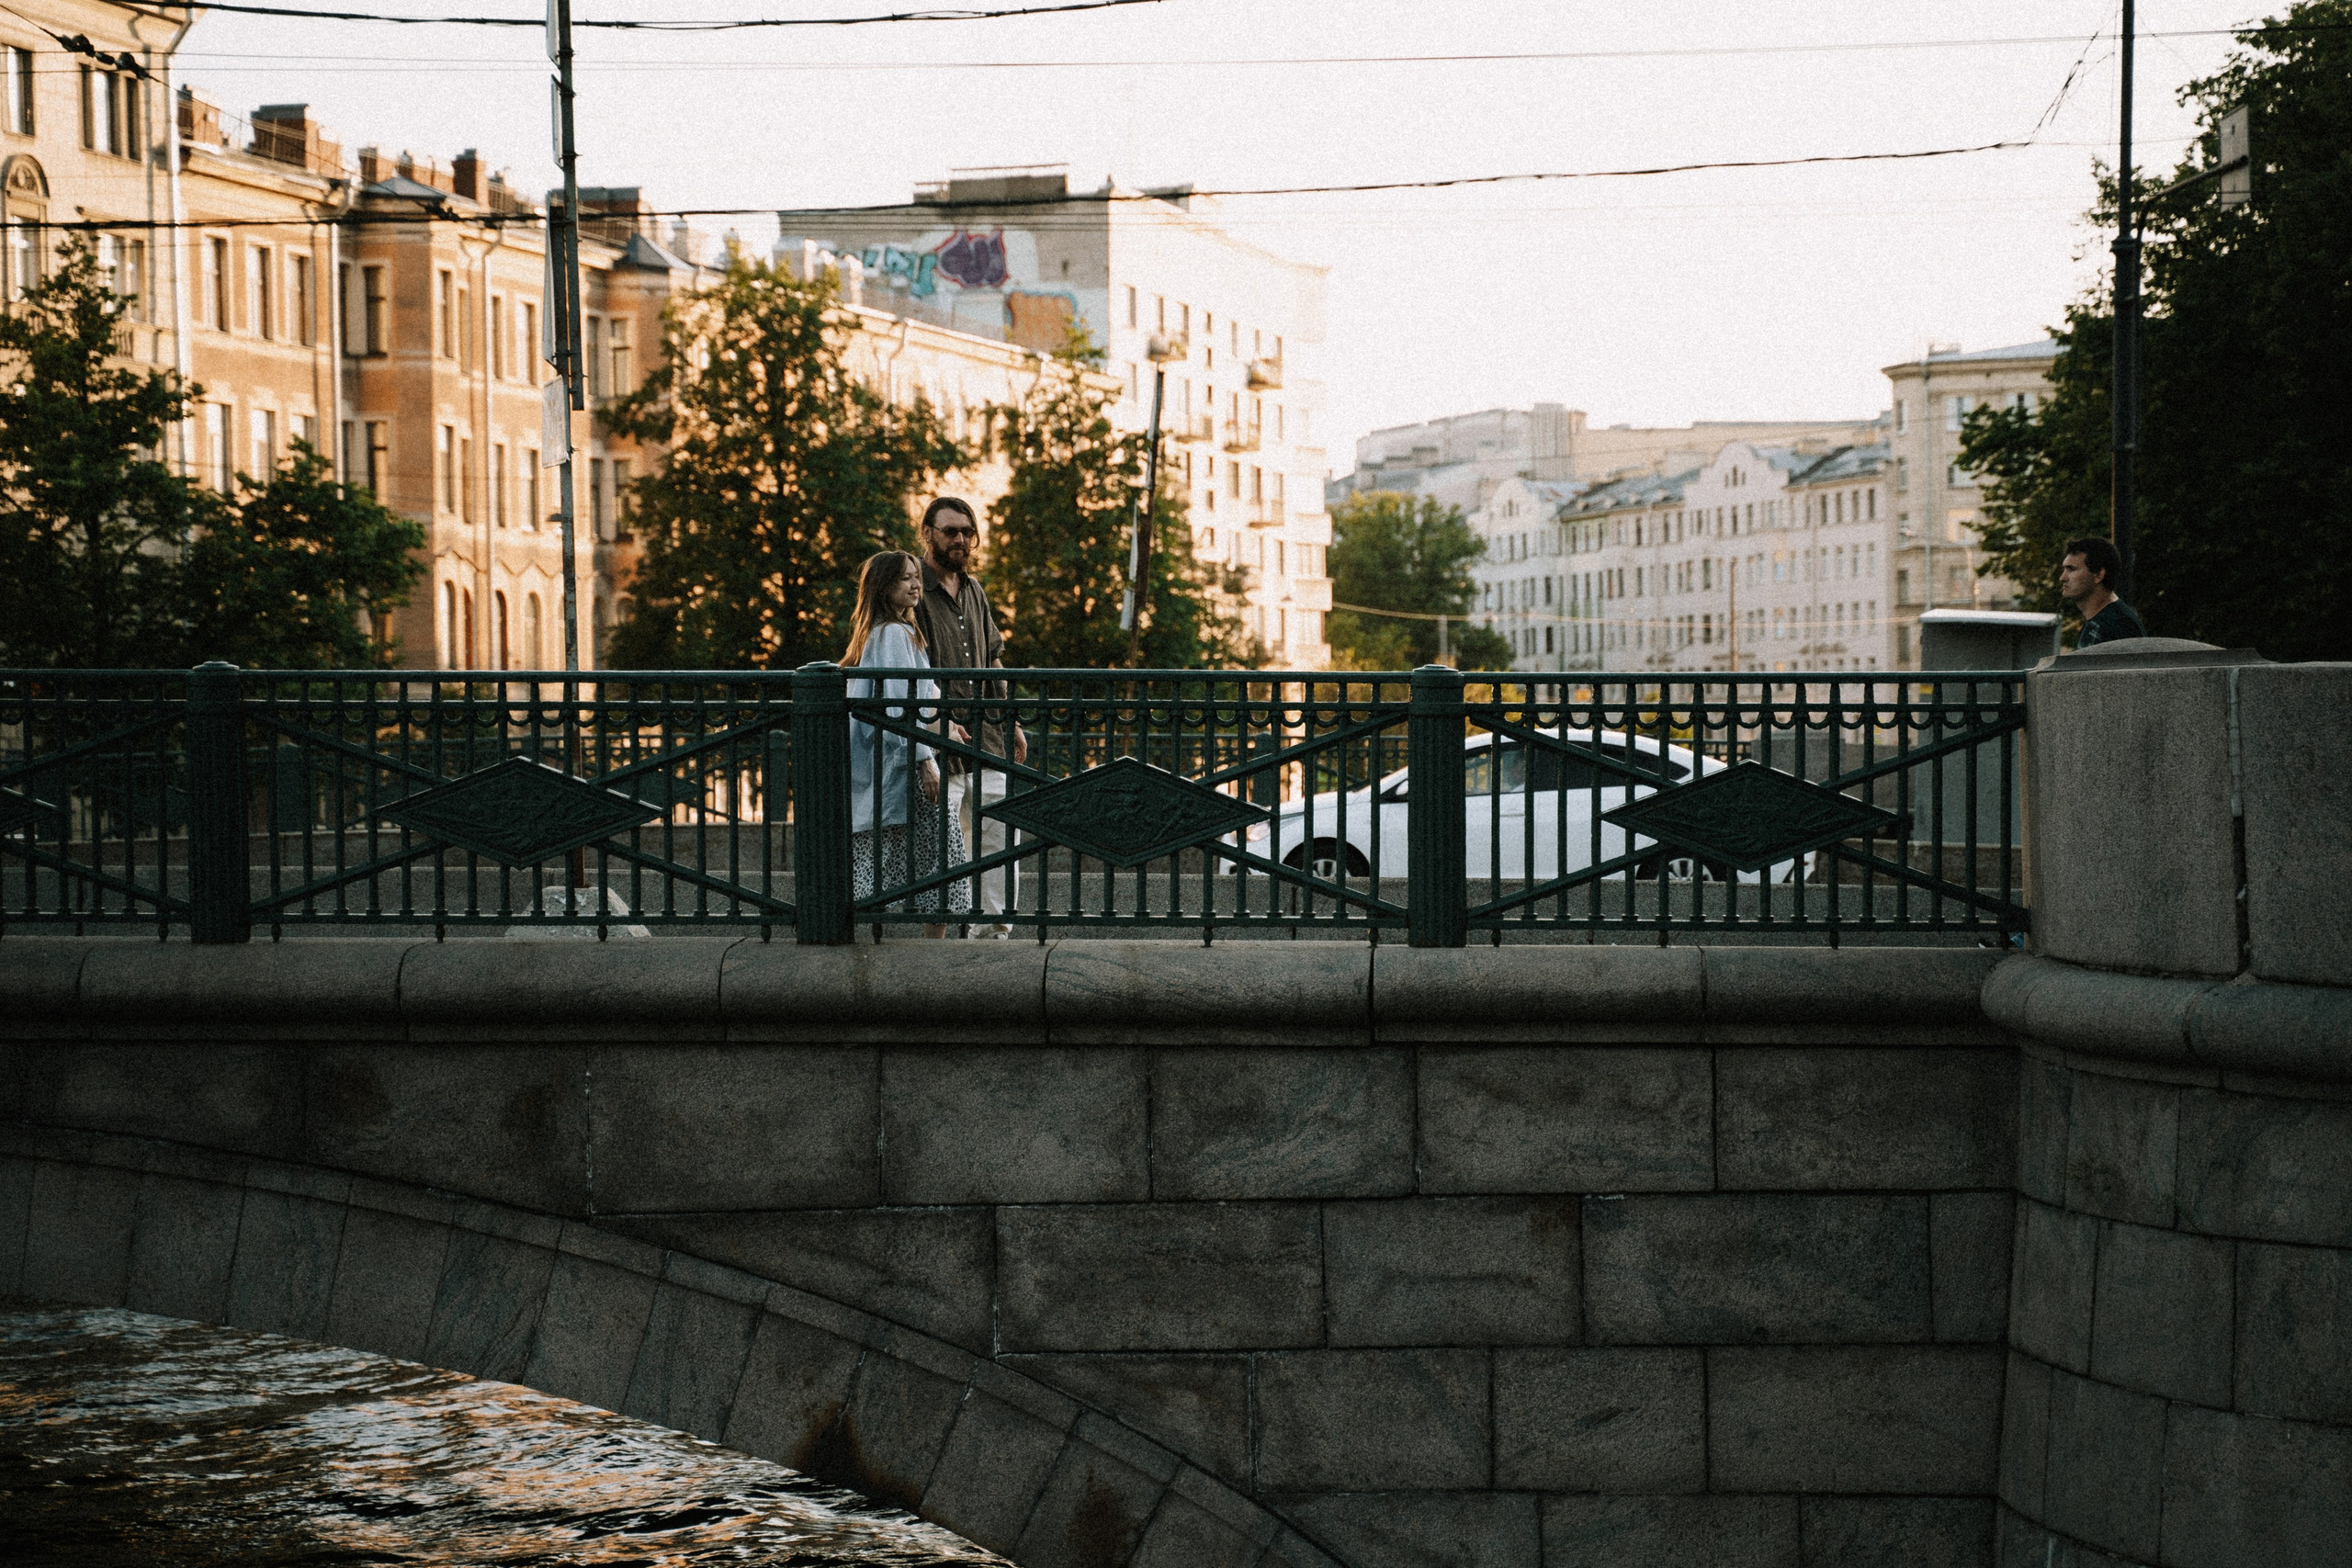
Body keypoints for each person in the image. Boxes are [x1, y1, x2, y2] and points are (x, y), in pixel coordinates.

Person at [910, 495, 1028, 938]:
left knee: (999, 842)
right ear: (928, 533)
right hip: (940, 740)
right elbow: (907, 664)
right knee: (945, 850)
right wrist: (930, 723)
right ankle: (937, 953)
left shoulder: (975, 590)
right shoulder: (913, 589)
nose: (960, 540)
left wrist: (1011, 719)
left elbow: (993, 658)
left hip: (988, 738)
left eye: (967, 532)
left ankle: (995, 933)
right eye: (950, 531)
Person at [844, 550, 972, 938]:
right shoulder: (893, 633)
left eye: (917, 576)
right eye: (905, 579)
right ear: (884, 587)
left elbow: (921, 692)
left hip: (899, 760)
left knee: (904, 857)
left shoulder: (891, 631)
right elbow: (902, 703)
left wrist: (945, 725)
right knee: (942, 859)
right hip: (905, 763)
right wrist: (925, 761)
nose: (916, 585)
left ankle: (883, 944)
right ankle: (934, 954)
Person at [2058, 536, 2147, 649]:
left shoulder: (2119, 625)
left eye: (2071, 569)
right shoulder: (2098, 620)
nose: (2063, 578)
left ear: (2099, 575)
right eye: (2064, 569)